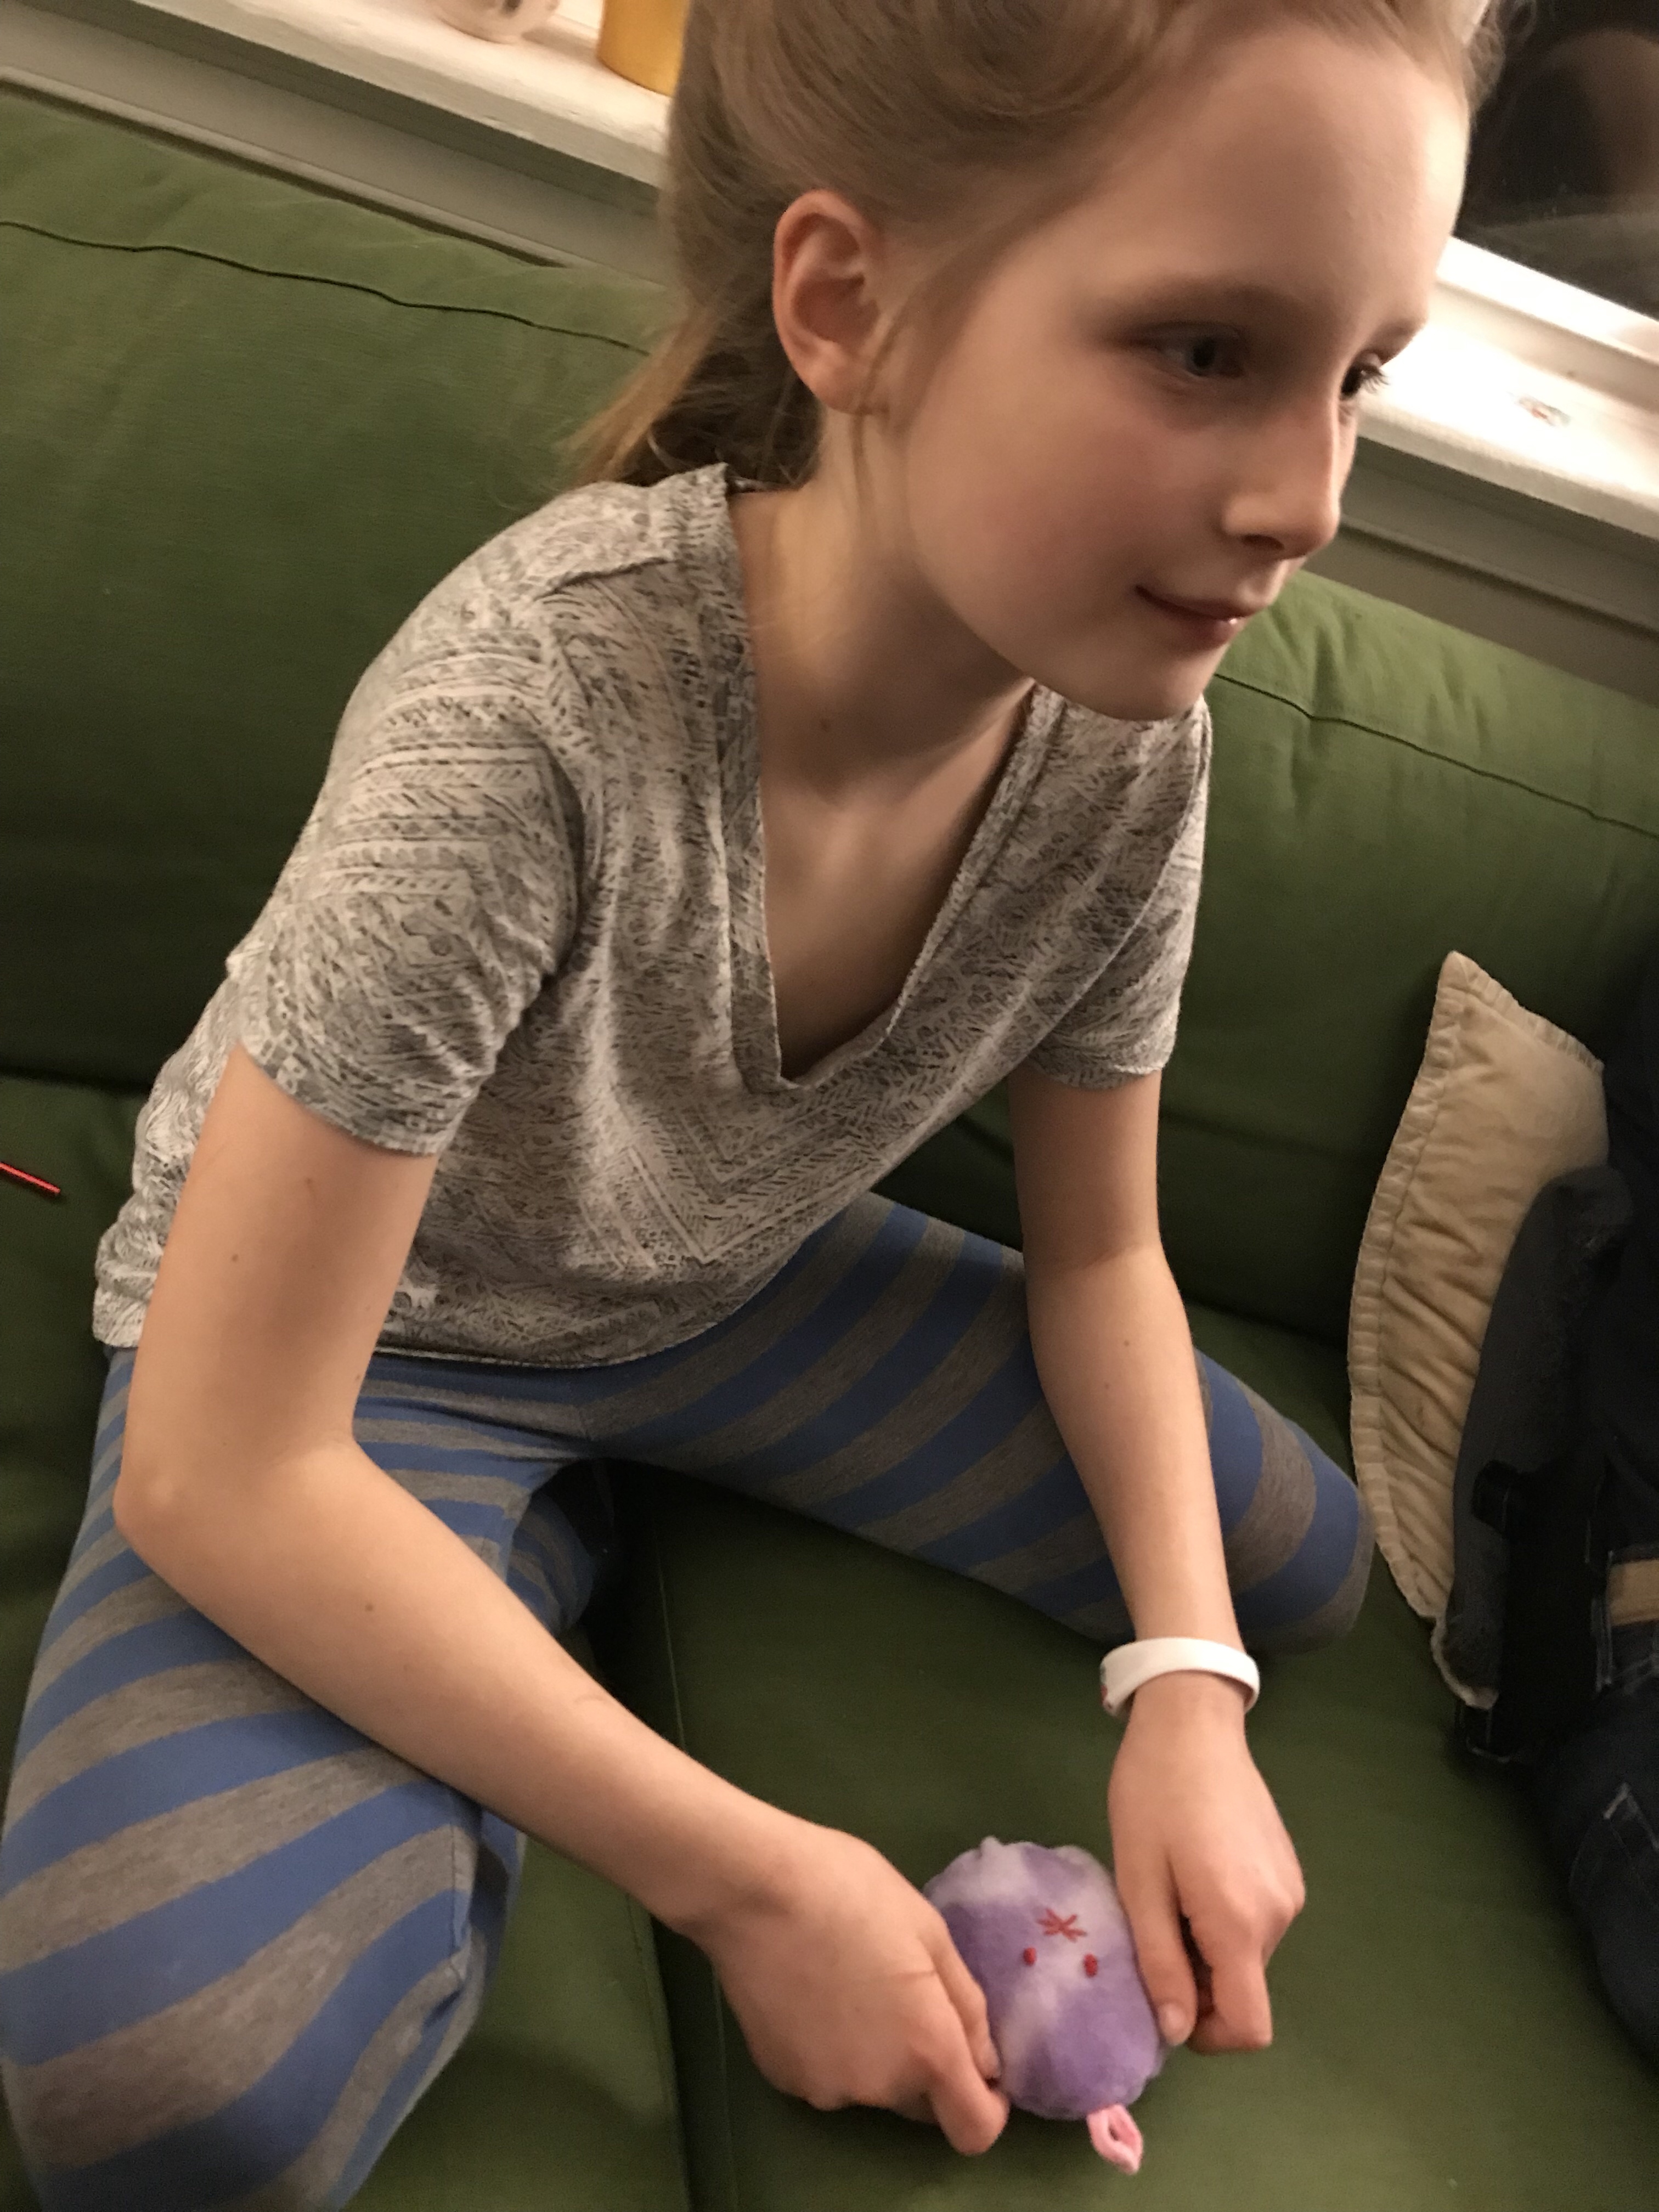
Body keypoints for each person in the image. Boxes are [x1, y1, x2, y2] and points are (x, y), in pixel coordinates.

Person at [0, 1, 1496, 2202]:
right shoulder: (531, 718)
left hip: (723, 1286)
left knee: (1289, 1557)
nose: (1307, 499)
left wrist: (1185, 1682)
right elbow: (226, 1465)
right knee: (169, 2095)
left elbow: (1102, 1254)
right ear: (847, 304)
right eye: (1205, 351)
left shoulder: (1131, 749)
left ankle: (552, 1521)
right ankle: (505, 1555)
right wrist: (755, 1881)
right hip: (359, 1353)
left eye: (1357, 374)